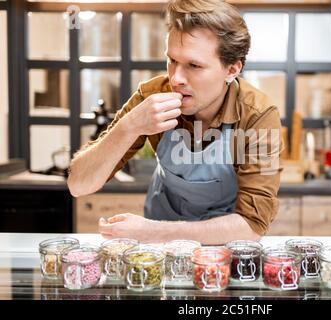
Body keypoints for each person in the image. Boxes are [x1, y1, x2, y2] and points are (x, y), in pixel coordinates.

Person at [67, 0, 283, 245]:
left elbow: (252, 226)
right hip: (163, 254)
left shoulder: (258, 116)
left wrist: (151, 232)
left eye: (194, 65)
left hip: (224, 248)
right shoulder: (151, 96)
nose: (176, 78)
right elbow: (78, 185)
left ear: (232, 70)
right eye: (172, 60)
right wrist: (129, 126)